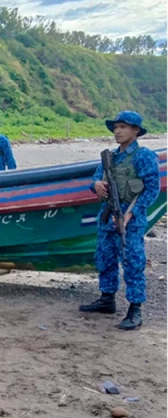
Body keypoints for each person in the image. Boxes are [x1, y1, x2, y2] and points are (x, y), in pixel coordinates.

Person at [79, 111, 160, 330]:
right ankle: (107, 299)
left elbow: (152, 189)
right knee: (104, 258)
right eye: (116, 127)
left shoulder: (144, 156)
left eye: (123, 127)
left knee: (133, 261)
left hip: (130, 219)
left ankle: (135, 309)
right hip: (107, 217)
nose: (117, 130)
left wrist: (130, 214)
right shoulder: (111, 157)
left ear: (136, 131)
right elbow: (96, 178)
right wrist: (96, 185)